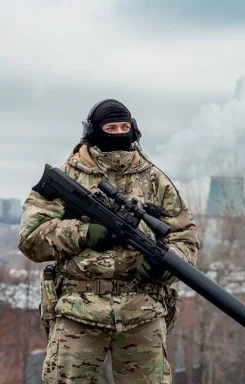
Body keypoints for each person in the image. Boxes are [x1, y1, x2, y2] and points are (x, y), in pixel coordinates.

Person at [18, 99, 200, 384]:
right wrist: (83, 233)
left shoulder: (155, 180)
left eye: (124, 127)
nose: (118, 133)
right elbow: (31, 238)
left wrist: (164, 266)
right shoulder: (68, 175)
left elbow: (186, 238)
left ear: (134, 130)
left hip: (142, 310)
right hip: (78, 310)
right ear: (93, 131)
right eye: (110, 127)